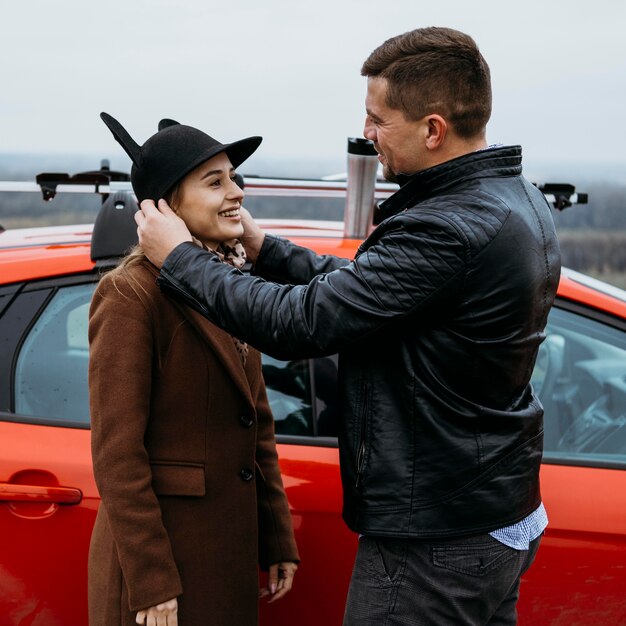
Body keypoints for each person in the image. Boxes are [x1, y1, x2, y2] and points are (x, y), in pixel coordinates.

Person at [134, 27, 561, 626]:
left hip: (434, 536)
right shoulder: (513, 199)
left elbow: (301, 323)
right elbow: (378, 288)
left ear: (433, 129)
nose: (367, 133)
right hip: (490, 509)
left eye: (378, 119)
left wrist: (179, 259)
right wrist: (266, 250)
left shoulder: (448, 225)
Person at [88, 113, 299, 626]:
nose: (236, 193)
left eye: (234, 178)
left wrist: (276, 536)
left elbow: (257, 422)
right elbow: (118, 454)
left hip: (220, 558)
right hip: (164, 574)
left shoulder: (224, 282)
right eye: (215, 182)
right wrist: (152, 580)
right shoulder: (130, 294)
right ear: (167, 205)